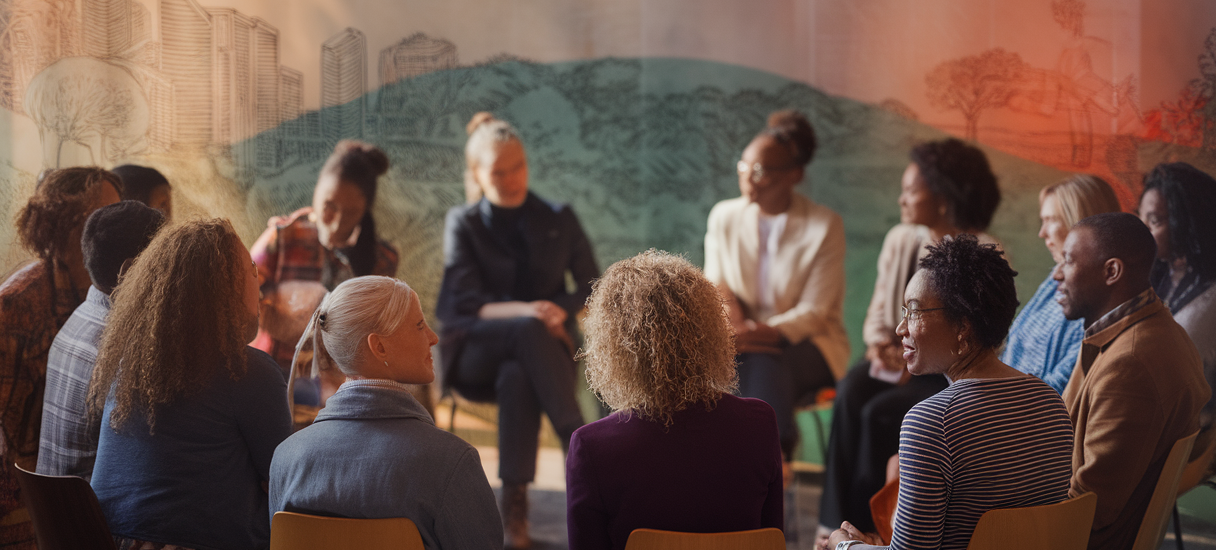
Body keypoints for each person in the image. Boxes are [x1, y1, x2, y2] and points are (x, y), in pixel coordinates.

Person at [823, 235, 1075, 550]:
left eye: (913, 312)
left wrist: (842, 545)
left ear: (963, 327)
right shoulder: (1050, 403)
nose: (901, 328)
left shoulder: (931, 423)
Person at [818, 138, 1001, 538]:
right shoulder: (901, 238)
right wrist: (882, 346)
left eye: (911, 190)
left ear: (941, 198)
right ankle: (832, 524)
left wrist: (915, 357)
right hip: (899, 358)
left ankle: (869, 531)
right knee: (850, 388)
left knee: (878, 412)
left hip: (946, 370)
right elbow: (879, 313)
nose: (901, 199)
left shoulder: (983, 253)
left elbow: (981, 337)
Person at [436, 112, 598, 549]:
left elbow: (591, 285)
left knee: (519, 374)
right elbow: (465, 304)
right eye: (498, 172)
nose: (511, 179)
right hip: (474, 351)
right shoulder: (463, 222)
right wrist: (533, 311)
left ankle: (515, 510)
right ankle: (581, 445)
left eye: (518, 166)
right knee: (524, 336)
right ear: (477, 175)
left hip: (540, 355)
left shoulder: (559, 217)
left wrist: (556, 311)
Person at [87, 219, 293, 550]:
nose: (260, 285)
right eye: (252, 271)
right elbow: (288, 479)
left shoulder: (127, 363)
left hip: (108, 539)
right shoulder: (246, 370)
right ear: (221, 290)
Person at [567, 250, 783, 550]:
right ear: (710, 329)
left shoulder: (591, 447)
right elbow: (771, 539)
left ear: (613, 343)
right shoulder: (759, 422)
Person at [270, 275, 501, 549]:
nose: (433, 337)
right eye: (419, 326)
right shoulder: (451, 462)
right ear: (379, 346)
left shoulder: (285, 460)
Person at [703, 110, 849, 470]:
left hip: (809, 344)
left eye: (761, 172)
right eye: (744, 168)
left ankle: (768, 460)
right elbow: (717, 285)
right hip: (739, 341)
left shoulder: (823, 225)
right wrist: (738, 331)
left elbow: (815, 312)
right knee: (739, 361)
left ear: (794, 175)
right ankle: (764, 460)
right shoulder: (724, 216)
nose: (749, 179)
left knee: (764, 361)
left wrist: (756, 334)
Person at [1054, 212, 1209, 550]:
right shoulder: (1154, 329)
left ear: (1112, 271)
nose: (1057, 274)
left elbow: (1088, 509)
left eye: (1068, 261)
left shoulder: (1131, 365)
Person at [0, 167, 120, 546]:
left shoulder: (103, 299)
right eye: (98, 218)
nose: (110, 229)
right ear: (61, 225)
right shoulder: (15, 308)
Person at [250, 140, 399, 389]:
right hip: (273, 378)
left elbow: (377, 336)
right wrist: (278, 310)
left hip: (339, 392)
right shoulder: (284, 236)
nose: (337, 223)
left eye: (351, 213)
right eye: (329, 207)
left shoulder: (381, 260)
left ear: (365, 210)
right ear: (316, 191)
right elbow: (238, 297)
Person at [37, 201, 166, 481]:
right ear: (130, 271)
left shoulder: (77, 321)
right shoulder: (125, 351)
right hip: (99, 520)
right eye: (164, 259)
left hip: (58, 518)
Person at [1002, 174, 1120, 393]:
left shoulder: (1102, 301)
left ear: (1081, 223)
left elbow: (1062, 387)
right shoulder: (1054, 278)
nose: (1042, 233)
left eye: (1051, 220)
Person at [1138, 162, 1216, 478]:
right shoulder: (1163, 272)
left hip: (1183, 440)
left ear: (1188, 223)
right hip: (1149, 421)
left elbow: (1168, 373)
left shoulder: (1209, 299)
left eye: (1154, 221)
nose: (1142, 230)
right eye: (1141, 217)